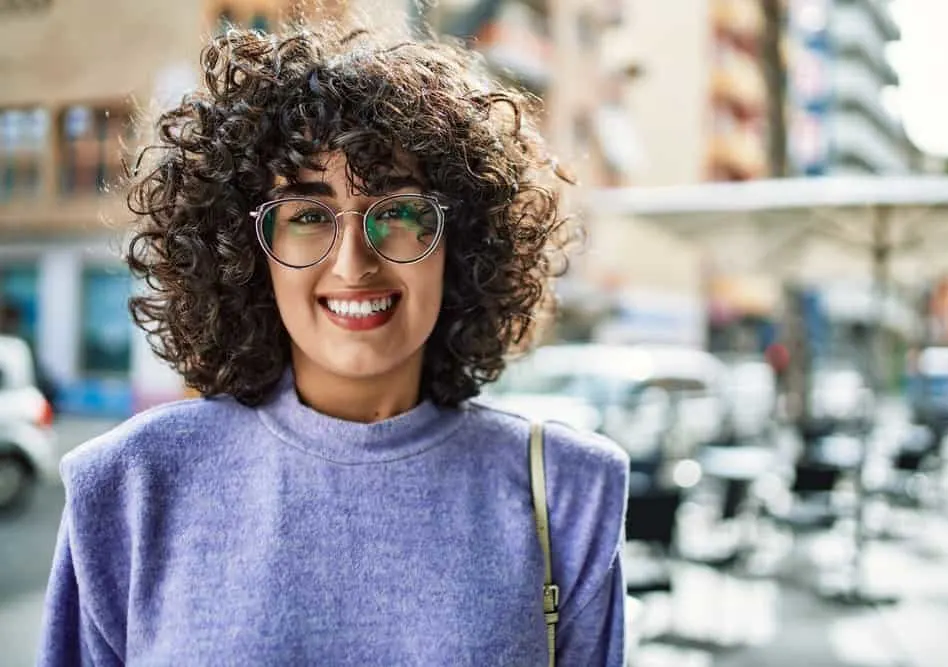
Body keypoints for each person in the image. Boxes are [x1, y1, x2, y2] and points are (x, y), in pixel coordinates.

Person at [37, 19, 628, 667]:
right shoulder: (128, 487)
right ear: (243, 251)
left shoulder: (568, 492)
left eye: (400, 212)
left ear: (460, 245)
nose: (354, 263)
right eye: (309, 215)